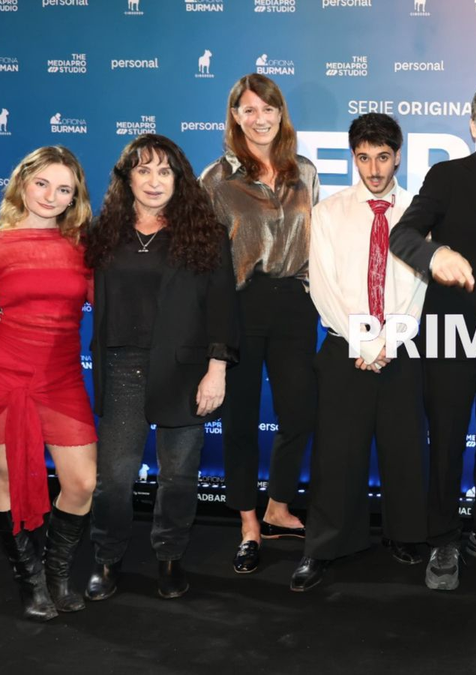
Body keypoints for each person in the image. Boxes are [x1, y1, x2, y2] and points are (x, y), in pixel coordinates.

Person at [389, 80, 476, 591]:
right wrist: (436, 255)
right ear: (472, 127)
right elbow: (403, 235)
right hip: (452, 333)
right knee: (447, 440)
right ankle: (444, 539)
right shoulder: (447, 177)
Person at [83, 134, 239, 601]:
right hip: (122, 366)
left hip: (184, 369)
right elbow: (64, 286)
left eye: (165, 171)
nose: (154, 181)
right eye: (144, 170)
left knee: (178, 477)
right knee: (114, 479)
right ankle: (107, 558)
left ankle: (170, 558)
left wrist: (217, 369)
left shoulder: (205, 233)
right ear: (127, 178)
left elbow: (223, 306)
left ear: (179, 179)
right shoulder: (103, 233)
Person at [291, 113, 429, 592]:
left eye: (383, 157)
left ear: (397, 157)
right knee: (336, 454)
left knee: (405, 448)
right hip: (345, 348)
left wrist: (388, 341)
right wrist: (365, 341)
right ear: (353, 157)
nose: (374, 169)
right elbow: (323, 287)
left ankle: (406, 534)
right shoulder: (329, 212)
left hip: (400, 348)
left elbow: (420, 287)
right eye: (364, 158)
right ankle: (325, 546)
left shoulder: (418, 212)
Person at [0, 146, 96, 621]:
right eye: (42, 183)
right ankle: (31, 580)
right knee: (8, 479)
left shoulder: (83, 249)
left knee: (82, 482)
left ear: (75, 197)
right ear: (22, 182)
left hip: (61, 377)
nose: (50, 196)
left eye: (64, 189)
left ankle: (57, 573)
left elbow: (112, 304)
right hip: (1, 373)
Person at [200, 73, 319, 574]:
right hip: (240, 306)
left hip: (295, 304)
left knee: (301, 413)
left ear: (280, 113)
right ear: (235, 116)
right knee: (241, 421)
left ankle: (278, 506)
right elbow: (206, 262)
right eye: (248, 109)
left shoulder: (305, 171)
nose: (259, 118)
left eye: (267, 108)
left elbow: (317, 245)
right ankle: (249, 525)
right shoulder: (216, 180)